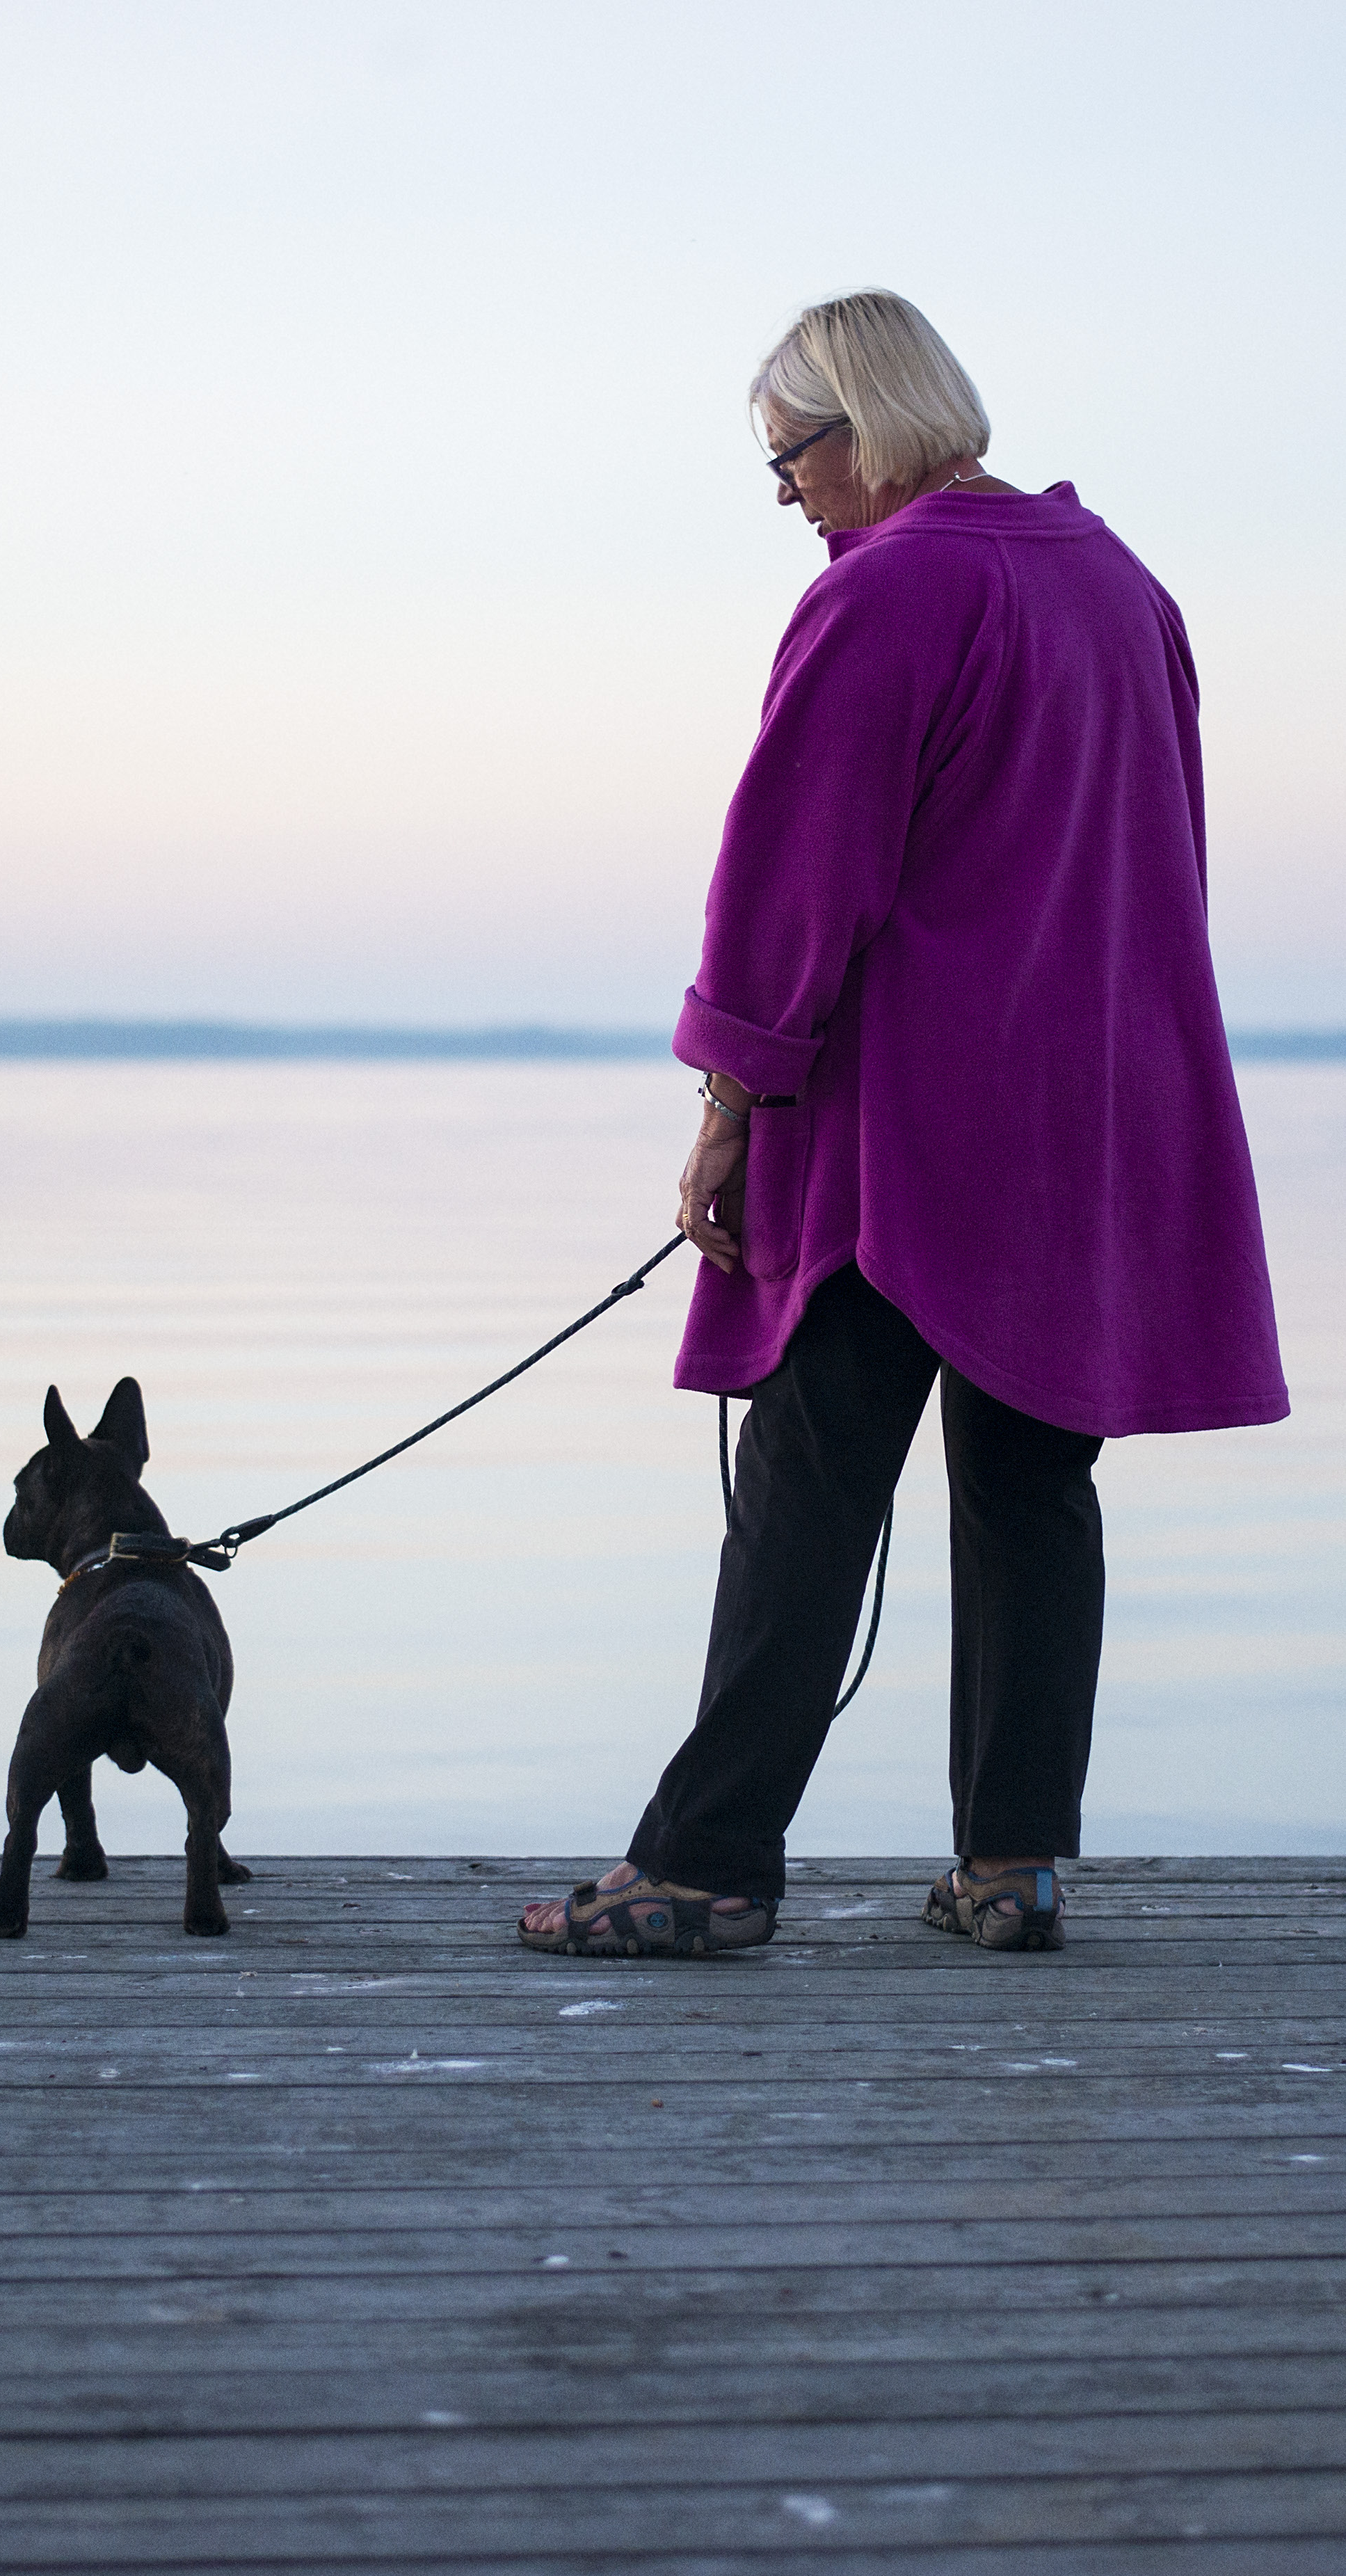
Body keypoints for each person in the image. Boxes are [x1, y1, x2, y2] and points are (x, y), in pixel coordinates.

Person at [520, 289, 1287, 1962]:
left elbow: (796, 876)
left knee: (805, 1488)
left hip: (906, 1129)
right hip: (1082, 1114)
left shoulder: (890, 593)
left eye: (787, 454)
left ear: (863, 427)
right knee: (1029, 1492)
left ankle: (707, 1865)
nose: (783, 494)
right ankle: (1008, 1867)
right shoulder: (1121, 589)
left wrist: (729, 1102)